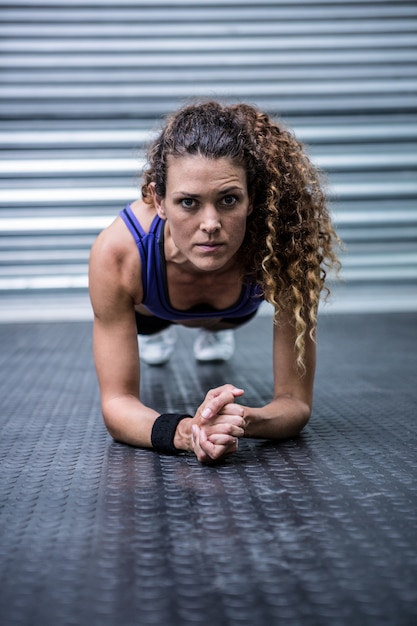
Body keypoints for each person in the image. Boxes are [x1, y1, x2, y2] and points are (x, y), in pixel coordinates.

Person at [89, 101, 340, 463]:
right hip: (152, 312)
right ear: (159, 201)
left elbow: (296, 403)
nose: (210, 224)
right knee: (151, 330)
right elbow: (116, 404)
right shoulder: (117, 254)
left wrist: (238, 420)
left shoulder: (281, 248)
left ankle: (213, 329)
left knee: (222, 322)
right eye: (188, 202)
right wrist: (187, 431)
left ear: (251, 198)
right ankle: (160, 332)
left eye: (228, 199)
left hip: (232, 311)